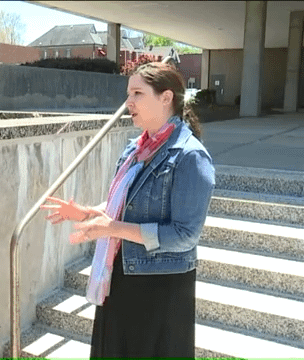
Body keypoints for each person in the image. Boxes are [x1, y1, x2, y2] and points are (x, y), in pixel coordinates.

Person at [41, 62, 215, 358]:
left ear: (166, 97)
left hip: (160, 287)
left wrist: (113, 229)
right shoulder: (135, 147)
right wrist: (85, 213)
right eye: (128, 93)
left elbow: (185, 235)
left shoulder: (190, 156)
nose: (128, 102)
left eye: (137, 93)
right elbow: (123, 207)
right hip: (122, 276)